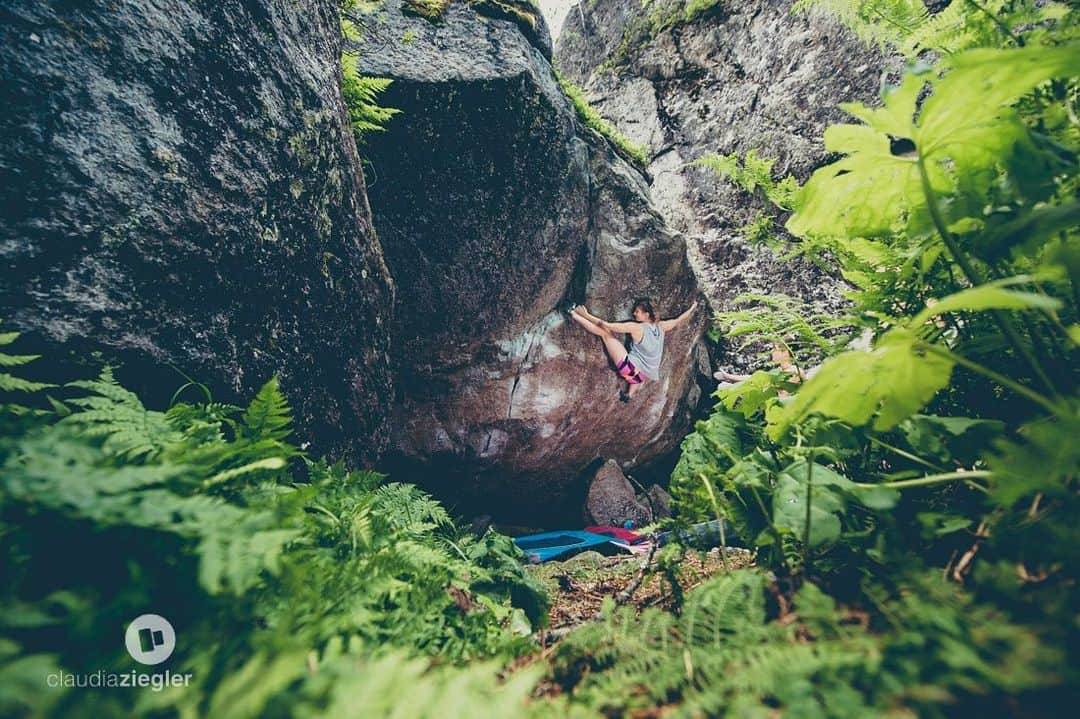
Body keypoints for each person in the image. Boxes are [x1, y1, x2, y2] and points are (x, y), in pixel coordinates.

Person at [570, 298, 699, 402]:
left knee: (605, 333)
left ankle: (572, 313)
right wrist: (692, 308)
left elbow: (607, 325)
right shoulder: (662, 327)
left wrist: (586, 314)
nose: (634, 313)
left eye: (637, 311)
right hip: (642, 376)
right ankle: (629, 395)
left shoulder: (637, 328)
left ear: (646, 315)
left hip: (629, 370)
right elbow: (679, 319)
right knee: (638, 373)